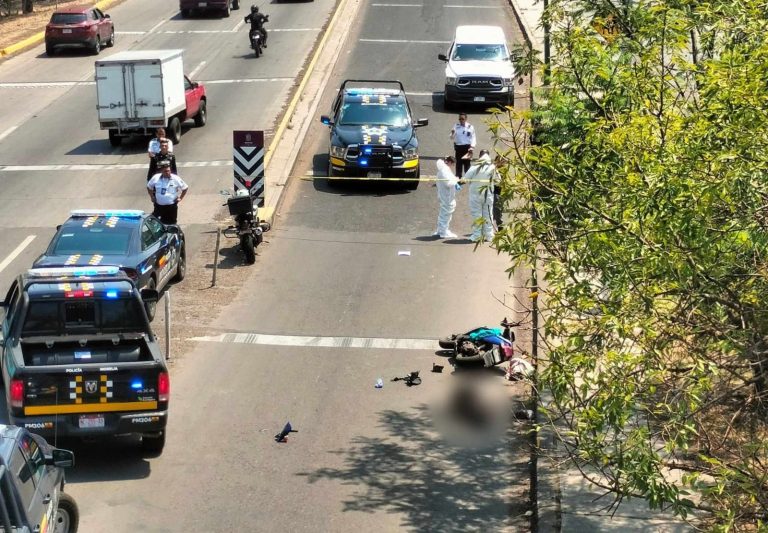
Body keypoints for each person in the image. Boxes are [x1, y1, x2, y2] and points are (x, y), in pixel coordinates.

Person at [463, 150, 497, 242]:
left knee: (477, 216)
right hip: (488, 195)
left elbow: (465, 178)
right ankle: (489, 236)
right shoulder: (492, 167)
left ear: (479, 156)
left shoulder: (474, 167)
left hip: (475, 195)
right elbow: (498, 180)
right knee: (488, 215)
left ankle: (477, 236)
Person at [433, 155, 459, 239]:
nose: (452, 166)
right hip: (446, 195)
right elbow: (448, 183)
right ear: (450, 162)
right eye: (453, 164)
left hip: (445, 194)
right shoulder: (444, 171)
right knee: (446, 213)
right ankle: (443, 232)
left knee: (444, 212)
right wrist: (456, 180)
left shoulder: (443, 170)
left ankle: (441, 229)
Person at [450, 113, 476, 178]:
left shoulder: (470, 127)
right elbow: (451, 137)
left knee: (467, 164)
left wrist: (472, 147)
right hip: (458, 148)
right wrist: (452, 133)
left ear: (466, 119)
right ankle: (458, 177)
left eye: (462, 119)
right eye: (460, 119)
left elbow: (473, 138)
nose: (461, 120)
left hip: (467, 148)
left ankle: (468, 177)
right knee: (459, 163)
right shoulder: (456, 126)